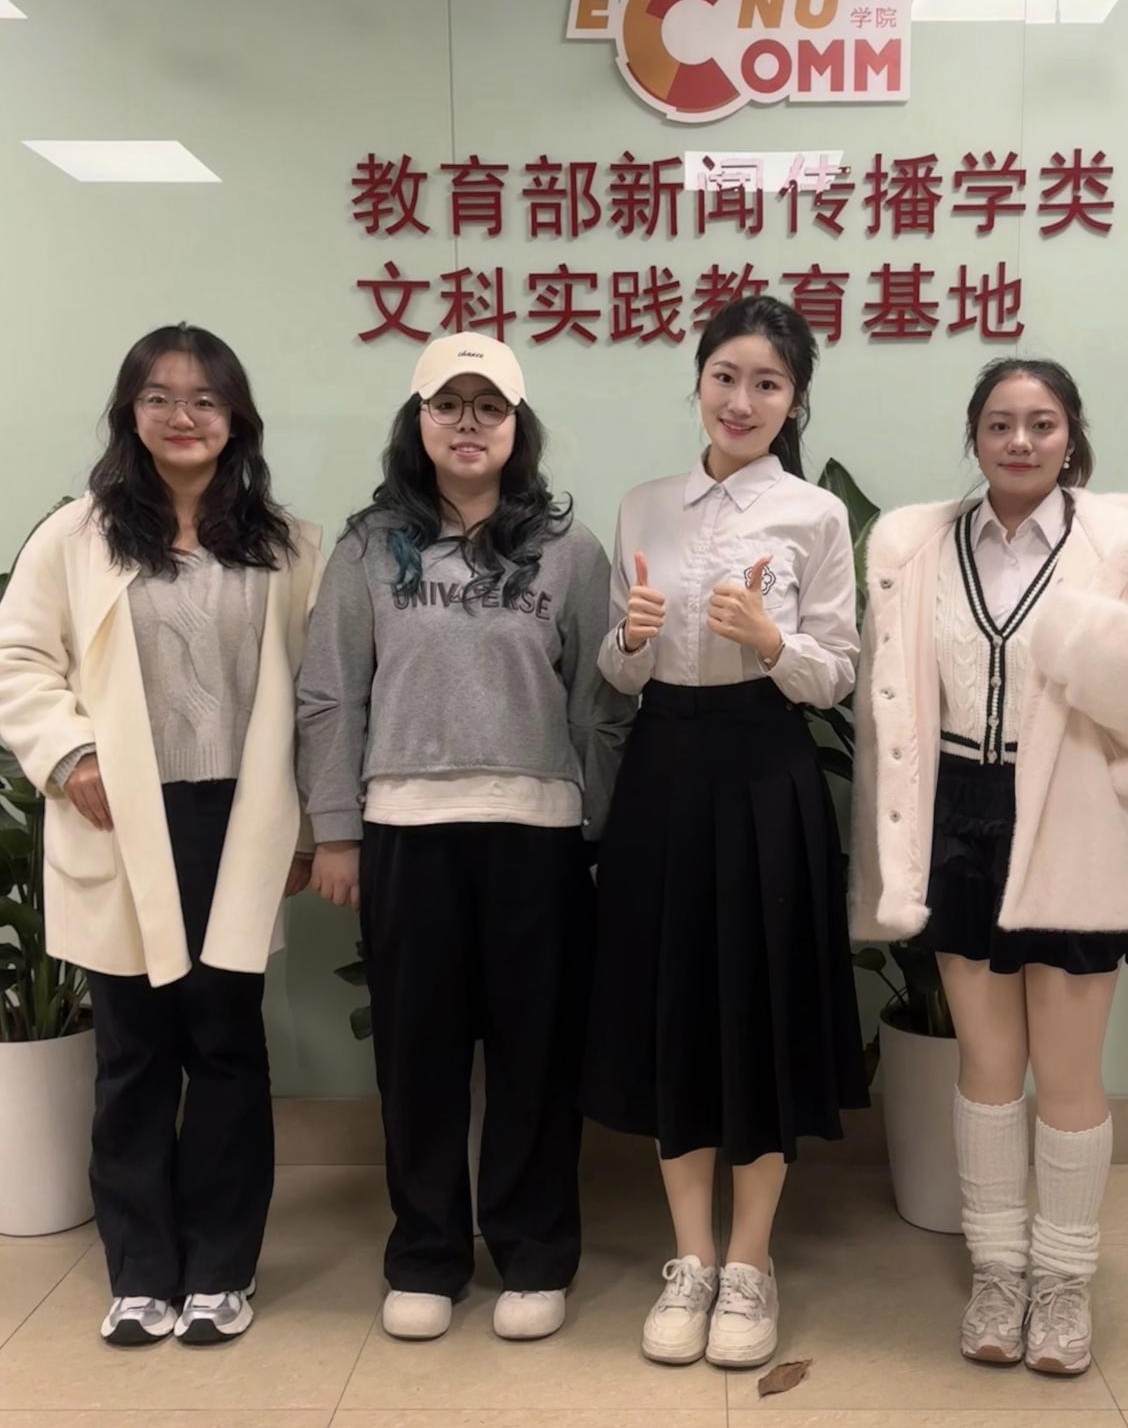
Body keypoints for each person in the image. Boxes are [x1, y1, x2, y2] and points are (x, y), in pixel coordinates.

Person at [849, 357, 1128, 1375]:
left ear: (1070, 436)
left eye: (1041, 423)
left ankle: (1061, 1282)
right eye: (1000, 422)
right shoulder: (918, 545)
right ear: (973, 435)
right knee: (983, 1064)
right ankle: (997, 1271)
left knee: (1065, 1071)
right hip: (957, 818)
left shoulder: (1125, 548)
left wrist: (1085, 638)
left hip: (1075, 823)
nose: (1019, 441)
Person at [298, 332, 633, 1345]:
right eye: (448, 405)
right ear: (418, 423)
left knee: (535, 1056)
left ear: (517, 426)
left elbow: (599, 704)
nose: (468, 424)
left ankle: (533, 1253)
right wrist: (335, 831)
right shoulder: (367, 549)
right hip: (406, 834)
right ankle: (426, 1255)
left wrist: (602, 830)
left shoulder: (569, 551)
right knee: (418, 1057)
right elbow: (330, 694)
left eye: (490, 406)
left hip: (538, 835)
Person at [0, 324, 322, 1346]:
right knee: (134, 1048)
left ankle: (222, 1268)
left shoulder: (286, 545)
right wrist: (70, 756)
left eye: (205, 400)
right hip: (119, 814)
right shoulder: (77, 536)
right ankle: (141, 1271)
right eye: (160, 397)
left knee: (225, 1041)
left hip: (239, 818)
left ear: (236, 419)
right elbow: (18, 658)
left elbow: (318, 694)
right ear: (129, 412)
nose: (183, 417)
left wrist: (309, 831)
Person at [584, 295, 868, 1369]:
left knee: (758, 1004)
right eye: (725, 376)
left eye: (767, 383)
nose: (741, 400)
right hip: (662, 767)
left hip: (764, 771)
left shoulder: (813, 515)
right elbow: (617, 675)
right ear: (697, 381)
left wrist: (769, 642)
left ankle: (750, 1263)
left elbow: (836, 673)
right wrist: (627, 639)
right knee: (673, 1001)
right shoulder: (642, 505)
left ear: (793, 400)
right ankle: (690, 1258)